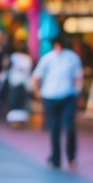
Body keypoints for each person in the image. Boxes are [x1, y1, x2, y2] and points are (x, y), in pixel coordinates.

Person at [31, 30, 83, 170]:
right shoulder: (49, 58)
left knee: (66, 126)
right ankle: (58, 158)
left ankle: (67, 156)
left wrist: (77, 94)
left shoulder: (71, 58)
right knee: (56, 127)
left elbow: (78, 78)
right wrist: (38, 92)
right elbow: (36, 77)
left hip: (65, 96)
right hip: (53, 96)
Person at [3, 41, 33, 126]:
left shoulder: (14, 57)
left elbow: (7, 66)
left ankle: (15, 121)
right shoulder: (27, 58)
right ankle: (20, 121)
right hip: (23, 82)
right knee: (20, 103)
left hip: (15, 82)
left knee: (14, 102)